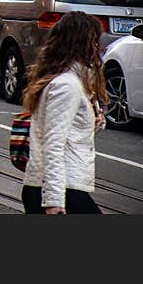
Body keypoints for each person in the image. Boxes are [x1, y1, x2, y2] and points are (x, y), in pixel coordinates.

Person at [21, 12, 108, 214]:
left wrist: (96, 121)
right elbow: (53, 143)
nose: (99, 47)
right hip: (60, 189)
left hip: (58, 186)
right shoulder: (67, 85)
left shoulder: (72, 80)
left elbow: (72, 132)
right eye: (95, 41)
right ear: (84, 43)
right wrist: (54, 200)